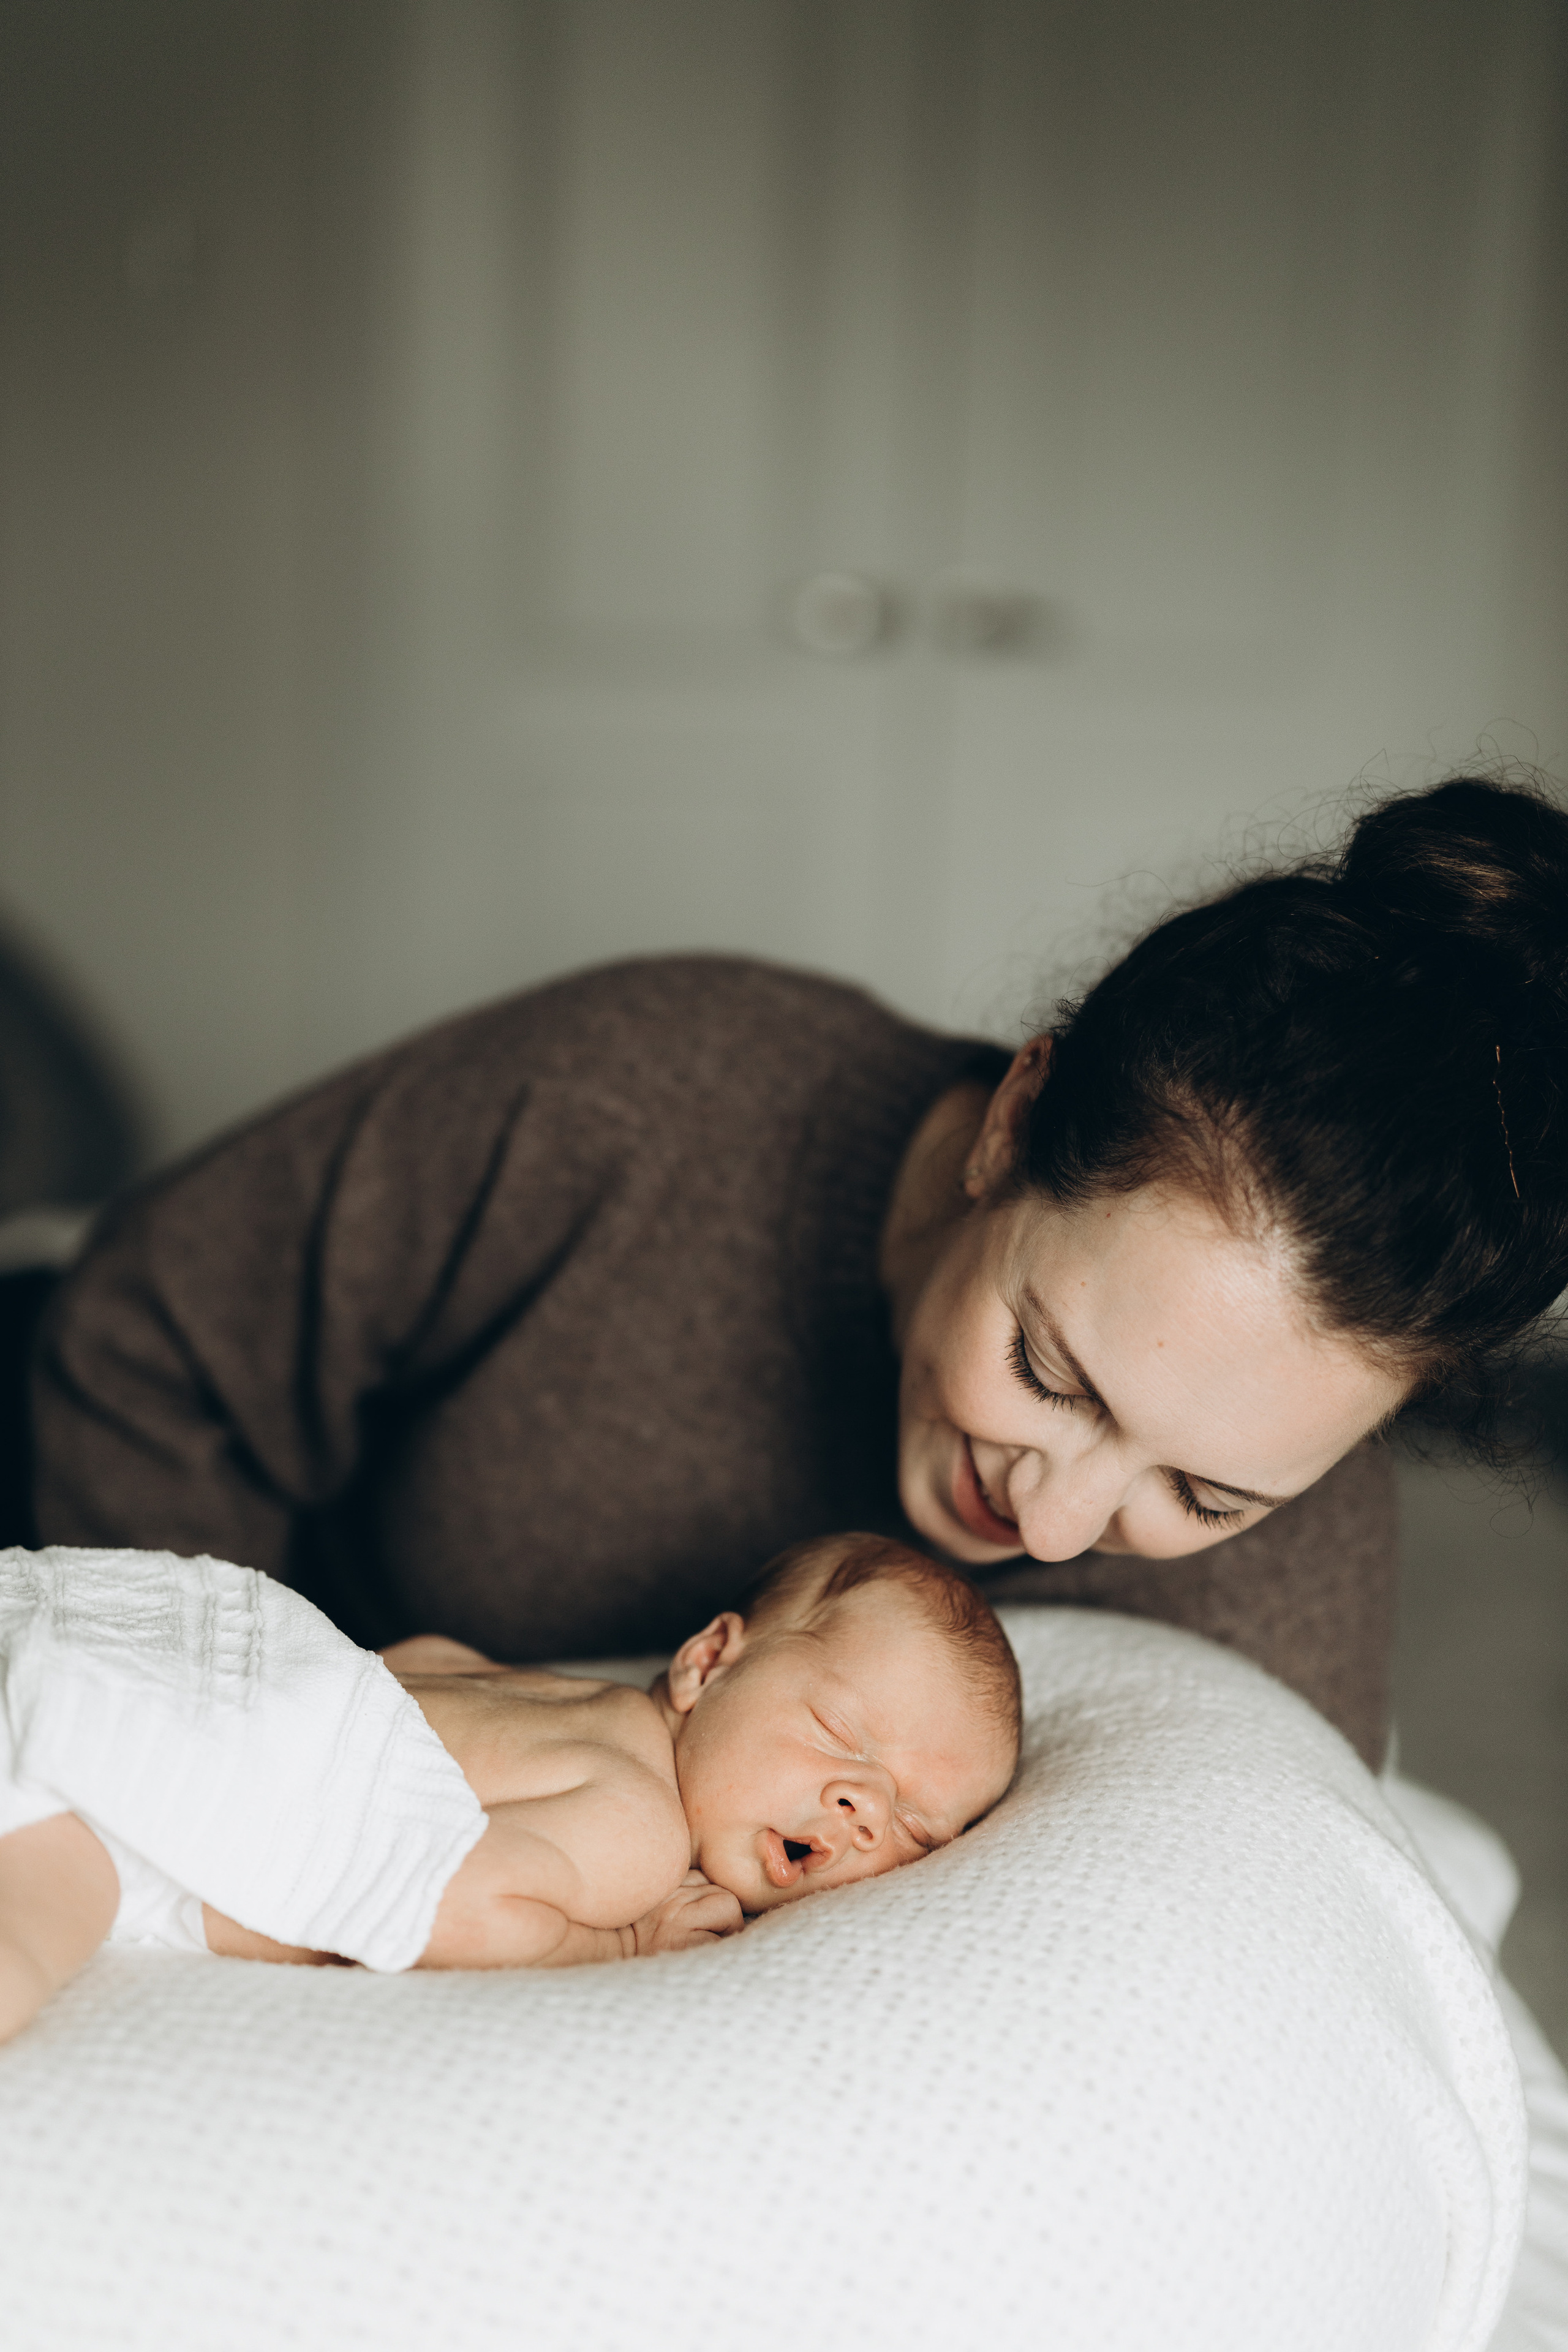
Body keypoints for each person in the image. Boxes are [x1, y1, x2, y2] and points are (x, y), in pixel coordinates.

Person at [27, 777, 1568, 1770]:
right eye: (1048, 1374)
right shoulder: (638, 1095)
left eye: (1206, 1496)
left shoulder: (1289, 1578)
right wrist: (253, 1748)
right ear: (1016, 1123)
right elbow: (148, 1338)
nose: (1051, 1521)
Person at [0, 1533, 1020, 2040]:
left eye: (916, 1828)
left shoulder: (546, 1694)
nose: (863, 1808)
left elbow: (409, 1661)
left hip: (128, 1632)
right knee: (29, 1934)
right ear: (710, 1664)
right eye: (841, 1736)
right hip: (132, 1788)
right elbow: (458, 1905)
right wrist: (621, 1941)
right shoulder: (636, 1832)